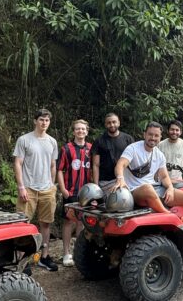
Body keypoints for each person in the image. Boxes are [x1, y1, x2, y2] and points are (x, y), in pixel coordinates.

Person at [111, 122, 183, 252]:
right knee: (148, 188)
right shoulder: (133, 148)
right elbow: (121, 164)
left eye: (156, 136)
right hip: (136, 191)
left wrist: (169, 188)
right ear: (144, 134)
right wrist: (120, 179)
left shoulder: (159, 154)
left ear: (160, 137)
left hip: (155, 189)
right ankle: (170, 216)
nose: (153, 138)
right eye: (150, 134)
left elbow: (163, 177)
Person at [13, 108, 59, 272]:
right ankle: (20, 262)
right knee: (22, 225)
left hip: (47, 189)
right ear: (35, 121)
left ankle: (44, 256)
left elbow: (53, 165)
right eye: (41, 120)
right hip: (29, 189)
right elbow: (18, 163)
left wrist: (52, 185)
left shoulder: (52, 142)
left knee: (46, 224)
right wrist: (21, 187)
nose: (44, 123)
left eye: (47, 120)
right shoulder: (24, 140)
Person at [56, 119, 91, 267]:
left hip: (87, 192)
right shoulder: (66, 148)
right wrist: (63, 189)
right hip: (70, 191)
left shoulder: (91, 148)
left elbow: (95, 167)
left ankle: (79, 252)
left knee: (82, 222)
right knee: (68, 221)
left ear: (87, 131)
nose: (80, 131)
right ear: (73, 131)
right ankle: (66, 253)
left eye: (83, 129)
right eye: (77, 129)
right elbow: (59, 169)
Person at [90, 113, 135, 194]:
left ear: (119, 123)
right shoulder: (99, 141)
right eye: (109, 123)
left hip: (125, 180)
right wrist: (96, 186)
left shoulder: (128, 139)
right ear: (105, 124)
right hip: (105, 182)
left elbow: (134, 161)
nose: (112, 125)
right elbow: (95, 165)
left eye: (114, 122)